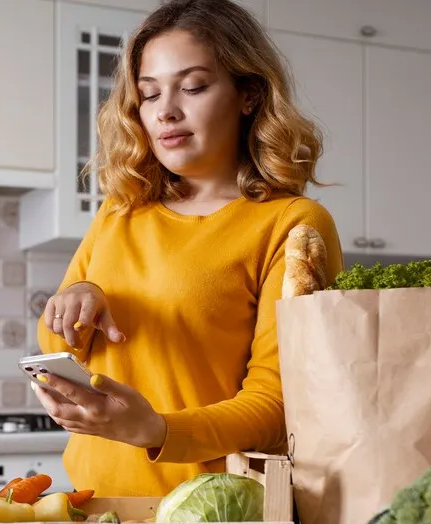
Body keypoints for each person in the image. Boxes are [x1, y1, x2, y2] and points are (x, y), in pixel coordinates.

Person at [32, 0, 344, 498]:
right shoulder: (120, 210)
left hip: (218, 514)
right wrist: (78, 298)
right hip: (92, 504)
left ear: (249, 94)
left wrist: (156, 431)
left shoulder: (292, 224)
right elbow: (56, 347)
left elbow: (280, 405)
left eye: (193, 87)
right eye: (149, 94)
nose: (166, 111)